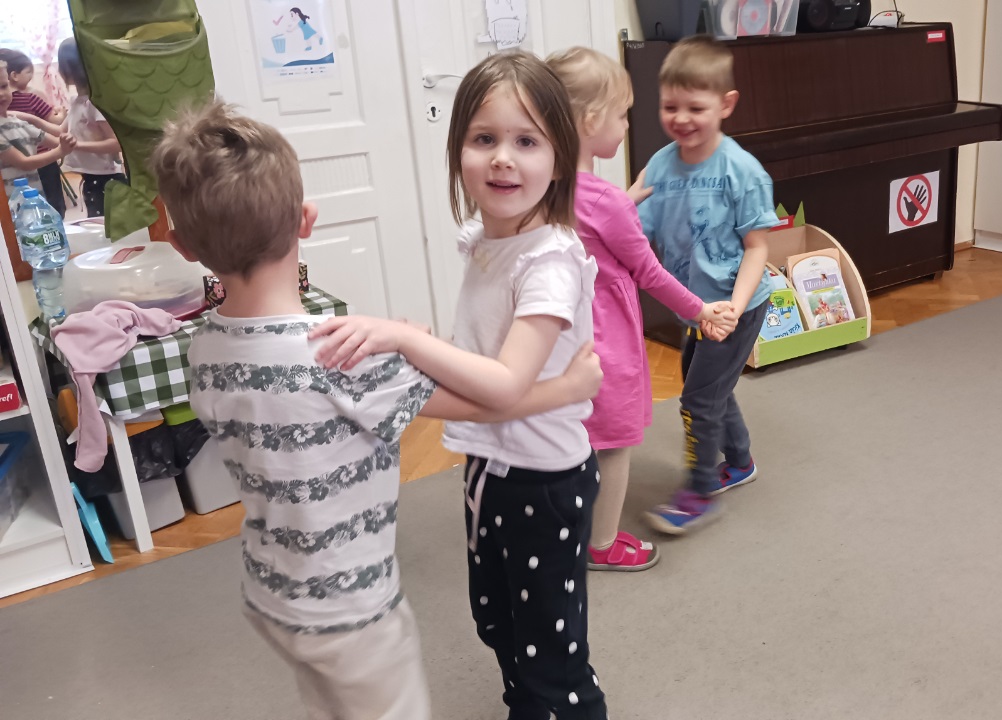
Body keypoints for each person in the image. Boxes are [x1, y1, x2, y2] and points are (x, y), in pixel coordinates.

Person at [152, 98, 602, 720]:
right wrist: (568, 389)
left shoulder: (203, 346)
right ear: (305, 219)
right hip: (352, 607)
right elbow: (482, 405)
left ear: (181, 244)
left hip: (274, 593)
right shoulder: (339, 357)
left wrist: (405, 350)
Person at [314, 50, 610, 720]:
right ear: (458, 152)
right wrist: (428, 352)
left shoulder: (549, 262)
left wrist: (407, 348)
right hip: (491, 468)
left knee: (550, 654)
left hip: (544, 481)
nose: (503, 158)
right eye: (484, 138)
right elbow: (485, 358)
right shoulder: (486, 238)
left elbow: (502, 385)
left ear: (560, 159)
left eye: (527, 141)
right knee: (498, 621)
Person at [546, 47, 737, 572]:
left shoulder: (545, 188)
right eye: (622, 114)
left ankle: (563, 524)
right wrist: (702, 311)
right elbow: (649, 273)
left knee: (574, 435)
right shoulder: (604, 201)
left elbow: (588, 227)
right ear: (591, 121)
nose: (627, 125)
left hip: (558, 339)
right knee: (614, 443)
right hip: (606, 339)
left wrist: (624, 203)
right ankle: (602, 543)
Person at [633, 35, 781, 536]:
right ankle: (739, 461)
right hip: (694, 306)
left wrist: (734, 309)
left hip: (738, 305)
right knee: (712, 388)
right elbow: (635, 229)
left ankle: (699, 492)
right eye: (669, 106)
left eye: (695, 108)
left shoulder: (741, 171)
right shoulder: (660, 166)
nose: (681, 118)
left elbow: (757, 248)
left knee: (698, 400)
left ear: (726, 104)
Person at [55, 39, 125, 218]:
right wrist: (29, 120)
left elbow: (116, 143)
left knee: (107, 223)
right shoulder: (77, 102)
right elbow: (60, 131)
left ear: (69, 69)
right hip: (91, 177)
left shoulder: (93, 104)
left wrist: (77, 145)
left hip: (106, 178)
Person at [0, 58, 75, 213]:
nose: (1, 94)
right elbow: (24, 163)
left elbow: (55, 141)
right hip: (11, 207)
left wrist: (69, 137)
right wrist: (61, 151)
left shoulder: (17, 122)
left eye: (4, 86)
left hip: (32, 200)